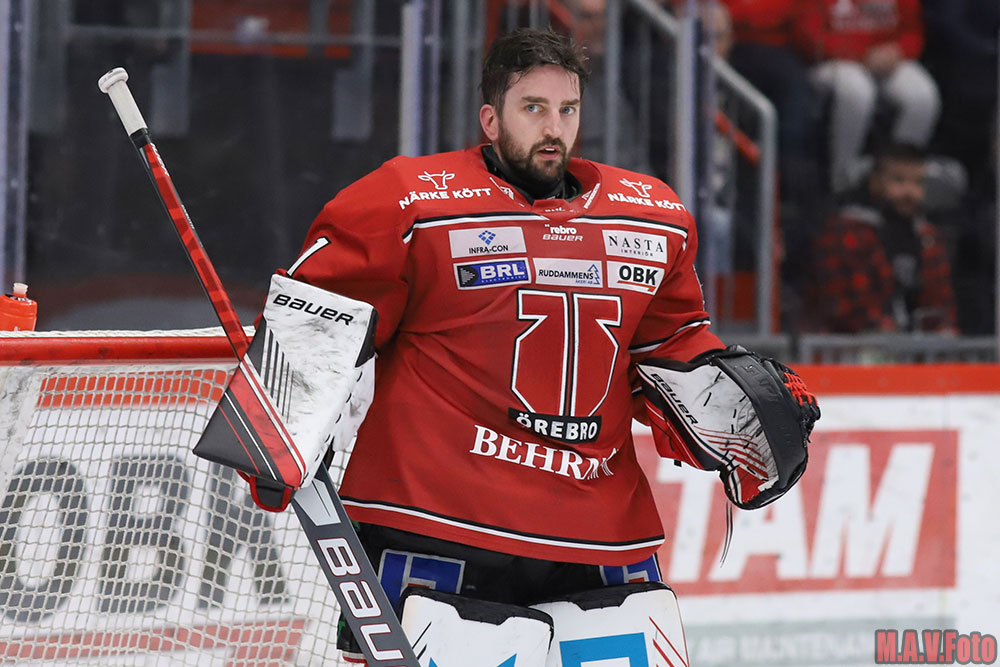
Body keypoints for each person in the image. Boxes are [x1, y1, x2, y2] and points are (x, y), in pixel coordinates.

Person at [283, 27, 816, 663]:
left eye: (567, 109)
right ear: (491, 120)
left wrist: (722, 398)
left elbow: (669, 345)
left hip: (598, 529)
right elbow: (316, 317)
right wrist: (275, 431)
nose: (553, 128)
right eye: (533, 107)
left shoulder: (652, 217)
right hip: (440, 519)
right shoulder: (411, 202)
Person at [807, 142, 958, 334]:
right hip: (849, 345)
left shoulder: (927, 237)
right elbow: (845, 307)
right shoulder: (846, 232)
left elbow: (940, 303)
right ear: (875, 182)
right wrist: (885, 331)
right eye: (899, 180)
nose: (910, 192)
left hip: (914, 345)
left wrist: (943, 332)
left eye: (918, 182)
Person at [795, 0, 941, 194]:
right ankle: (843, 183)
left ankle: (901, 180)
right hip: (831, 60)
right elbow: (809, 35)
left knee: (921, 96)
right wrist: (862, 53)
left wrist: (899, 51)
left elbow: (913, 31)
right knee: (856, 91)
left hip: (888, 56)